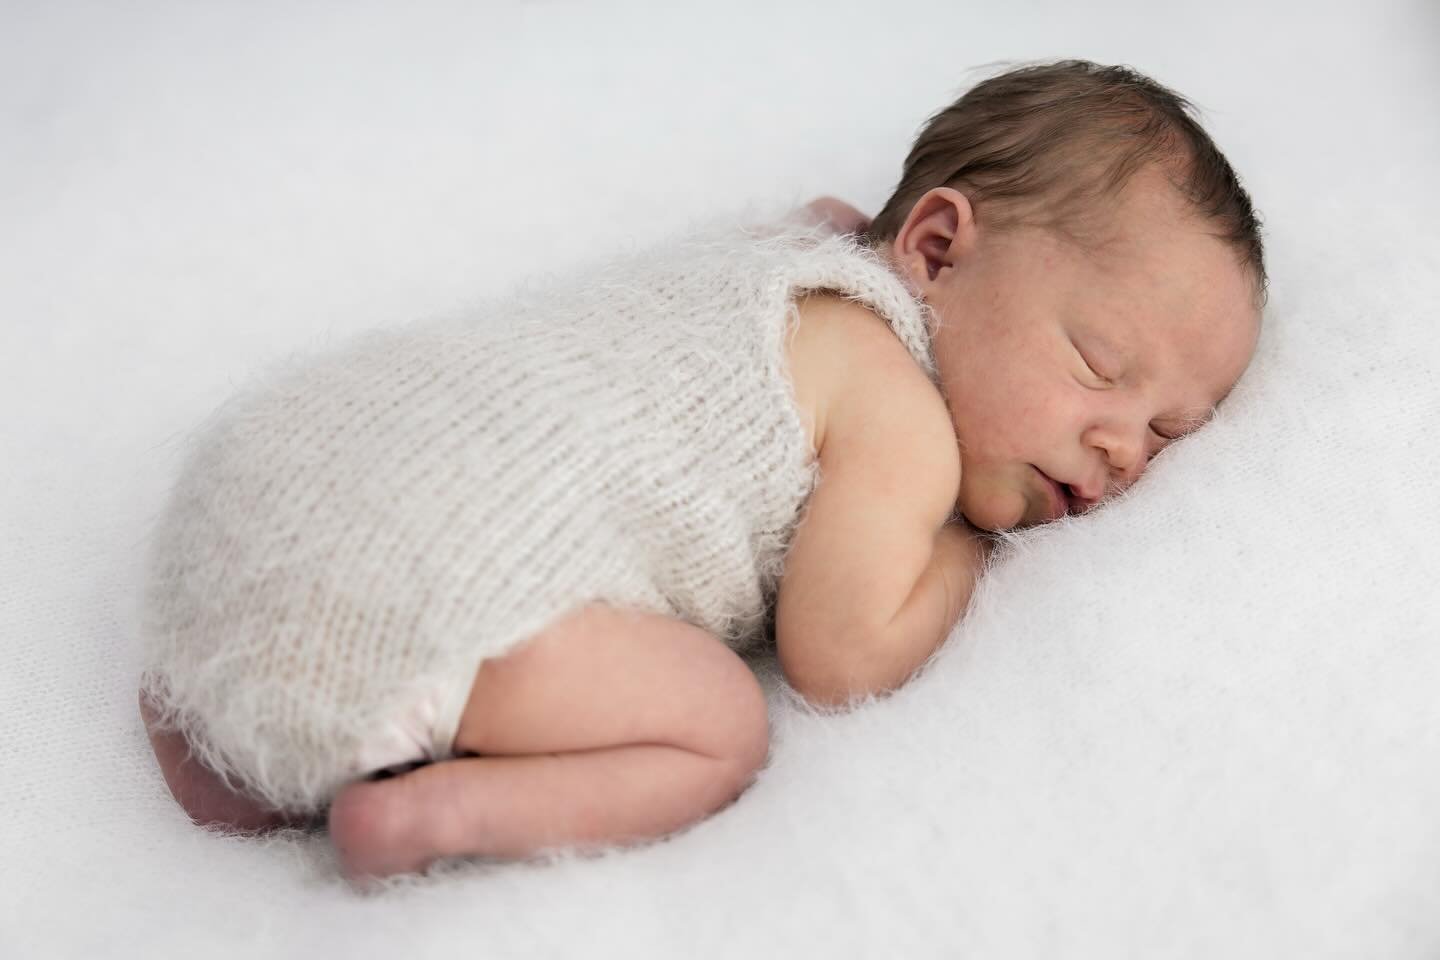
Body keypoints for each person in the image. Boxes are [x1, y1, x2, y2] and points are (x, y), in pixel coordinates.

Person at [138, 59, 1266, 889]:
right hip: (439, 591)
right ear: (932, 248)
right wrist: (968, 544)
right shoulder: (898, 420)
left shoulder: (787, 251)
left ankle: (219, 730)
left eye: (1171, 431)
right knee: (721, 724)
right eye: (1099, 365)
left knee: (323, 639)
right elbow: (838, 655)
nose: (1123, 446)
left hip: (277, 476)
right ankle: (426, 810)